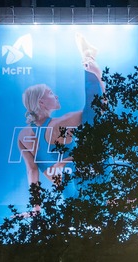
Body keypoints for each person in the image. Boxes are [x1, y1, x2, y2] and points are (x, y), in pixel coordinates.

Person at [16, 34, 105, 193]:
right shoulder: (61, 123)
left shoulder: (23, 135)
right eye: (50, 93)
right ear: (40, 103)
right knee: (95, 113)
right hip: (82, 187)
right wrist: (97, 75)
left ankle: (90, 62)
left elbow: (32, 171)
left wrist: (36, 209)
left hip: (73, 191)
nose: (55, 95)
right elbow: (96, 110)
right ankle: (89, 60)